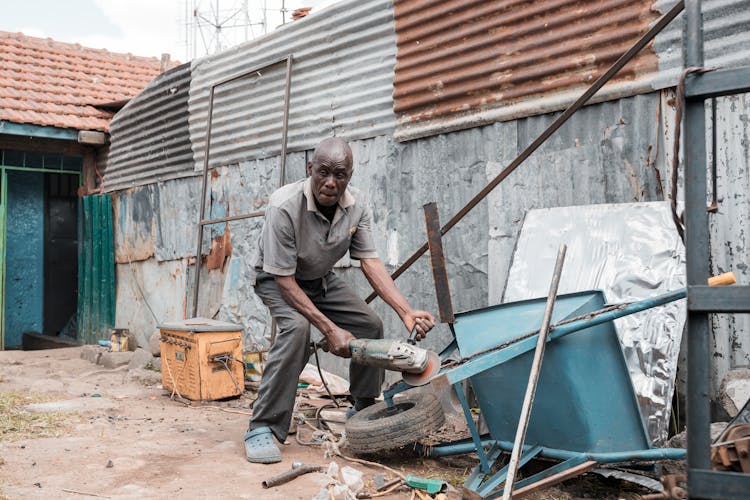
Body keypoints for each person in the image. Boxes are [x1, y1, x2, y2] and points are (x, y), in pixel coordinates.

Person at [244, 137, 435, 464]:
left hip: (319, 279)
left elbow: (370, 261)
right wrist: (330, 329)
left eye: (341, 175)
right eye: (324, 173)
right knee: (297, 331)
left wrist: (405, 312)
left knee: (369, 324)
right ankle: (263, 427)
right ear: (310, 170)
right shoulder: (284, 206)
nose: (331, 183)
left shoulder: (356, 204)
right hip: (278, 280)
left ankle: (362, 407)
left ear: (350, 175)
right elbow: (284, 280)